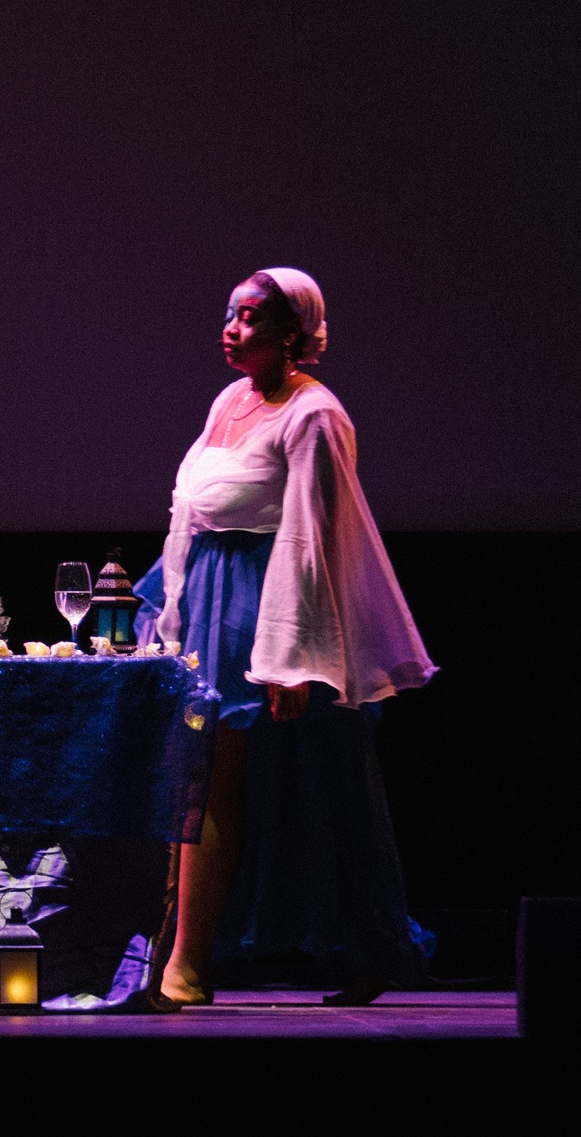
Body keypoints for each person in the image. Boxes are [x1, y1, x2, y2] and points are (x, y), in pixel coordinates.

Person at [154, 267, 437, 1007]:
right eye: (228, 315)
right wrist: (168, 608)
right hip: (215, 598)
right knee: (207, 778)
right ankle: (186, 962)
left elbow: (312, 539)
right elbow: (194, 508)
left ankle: (374, 947)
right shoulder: (231, 400)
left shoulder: (315, 416)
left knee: (332, 783)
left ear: (292, 334)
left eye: (249, 319)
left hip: (281, 606)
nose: (231, 329)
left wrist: (290, 659)